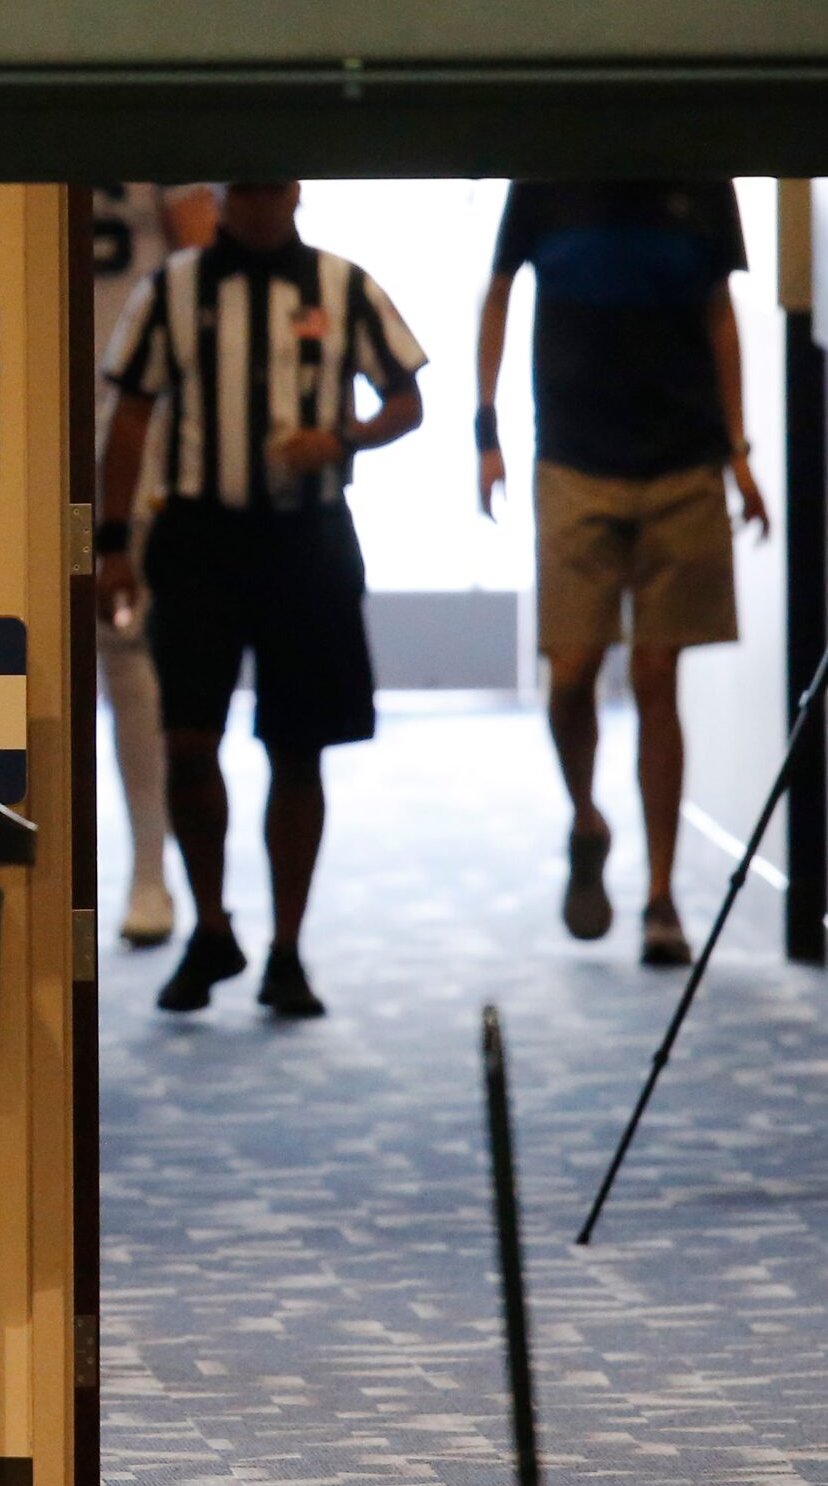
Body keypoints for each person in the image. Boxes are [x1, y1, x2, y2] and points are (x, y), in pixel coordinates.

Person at [98, 180, 427, 1019]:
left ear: (293, 194)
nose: (253, 206)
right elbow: (128, 416)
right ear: (221, 197)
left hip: (305, 543)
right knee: (185, 742)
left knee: (297, 746)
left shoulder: (342, 285)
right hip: (197, 542)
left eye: (268, 188)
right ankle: (209, 926)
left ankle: (287, 948)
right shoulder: (170, 289)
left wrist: (341, 438)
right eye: (239, 190)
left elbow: (407, 399)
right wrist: (108, 546)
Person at [476, 179, 769, 967]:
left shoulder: (699, 182)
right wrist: (485, 430)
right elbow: (498, 294)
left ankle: (661, 895)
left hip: (681, 462)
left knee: (654, 675)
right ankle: (585, 818)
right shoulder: (546, 178)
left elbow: (719, 315)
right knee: (569, 670)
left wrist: (738, 452)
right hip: (574, 460)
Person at [91, 182, 219, 949]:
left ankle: (148, 867)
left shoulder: (149, 131)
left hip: (131, 411)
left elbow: (200, 257)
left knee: (125, 649)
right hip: (23, 394)